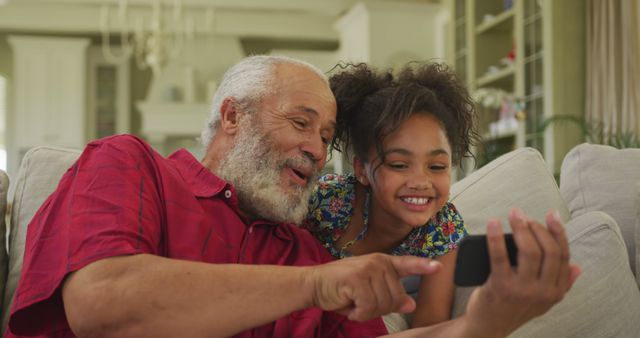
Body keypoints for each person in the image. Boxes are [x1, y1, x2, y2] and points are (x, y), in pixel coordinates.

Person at [5, 55, 580, 338]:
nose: (314, 148)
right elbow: (102, 304)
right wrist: (317, 284)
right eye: (301, 122)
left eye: (326, 136)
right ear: (233, 115)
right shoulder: (128, 164)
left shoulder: (299, 248)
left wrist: (483, 323)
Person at [303, 62, 478, 328]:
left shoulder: (445, 229)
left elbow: (430, 326)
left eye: (437, 167)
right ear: (362, 169)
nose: (421, 182)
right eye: (398, 164)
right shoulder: (326, 200)